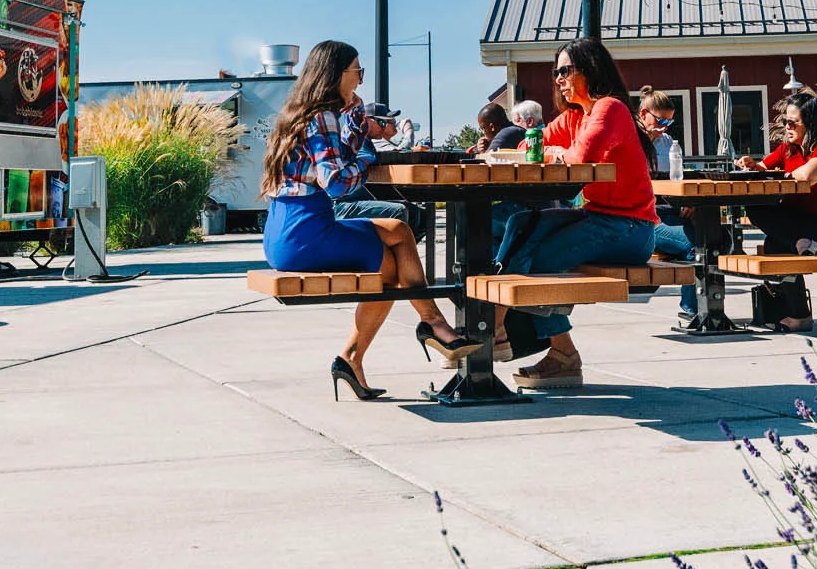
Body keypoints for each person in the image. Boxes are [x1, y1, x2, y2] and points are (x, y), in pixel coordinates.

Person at [260, 40, 475, 399]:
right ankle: (433, 325)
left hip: (283, 231)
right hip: (307, 232)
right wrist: (364, 159)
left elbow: (334, 156)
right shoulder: (321, 116)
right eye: (357, 71)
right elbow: (338, 182)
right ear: (335, 74)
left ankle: (354, 359)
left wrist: (357, 124)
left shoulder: (298, 113)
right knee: (393, 255)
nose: (360, 80)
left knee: (397, 237)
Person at [492, 38, 657, 389]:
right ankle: (536, 344)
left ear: (590, 70)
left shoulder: (609, 108)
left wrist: (553, 150)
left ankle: (500, 327)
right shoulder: (575, 117)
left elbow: (581, 157)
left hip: (629, 227)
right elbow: (528, 144)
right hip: (596, 217)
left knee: (539, 259)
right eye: (556, 73)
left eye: (565, 70)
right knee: (521, 224)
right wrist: (552, 148)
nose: (558, 79)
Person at [742, 92, 817, 332]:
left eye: (793, 122)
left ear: (811, 123)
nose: (787, 126)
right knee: (758, 213)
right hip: (800, 225)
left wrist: (783, 175)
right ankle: (799, 313)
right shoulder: (788, 148)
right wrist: (751, 165)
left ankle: (799, 315)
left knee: (777, 246)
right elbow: (763, 167)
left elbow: (808, 176)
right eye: (785, 121)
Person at [637, 88, 682, 176]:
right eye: (661, 121)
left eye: (669, 122)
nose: (665, 127)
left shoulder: (668, 141)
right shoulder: (628, 139)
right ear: (643, 114)